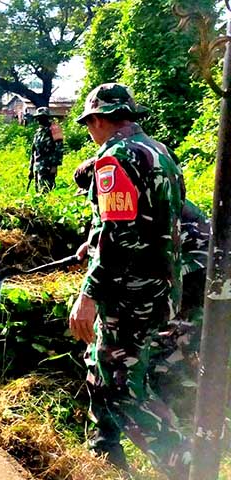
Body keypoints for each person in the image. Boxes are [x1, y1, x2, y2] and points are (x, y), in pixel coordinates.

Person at [67, 83, 191, 477]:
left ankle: (183, 466)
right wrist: (95, 238)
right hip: (161, 289)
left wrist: (88, 294)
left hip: (129, 295)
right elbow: (156, 218)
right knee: (100, 362)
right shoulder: (160, 151)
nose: (90, 132)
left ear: (101, 120)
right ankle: (103, 450)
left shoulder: (115, 158)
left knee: (121, 388)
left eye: (90, 124)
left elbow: (119, 237)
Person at [73, 157, 210, 421]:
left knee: (165, 346)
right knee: (184, 333)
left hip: (190, 268)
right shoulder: (146, 189)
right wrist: (89, 245)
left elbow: (120, 240)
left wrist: (93, 284)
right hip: (199, 268)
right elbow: (107, 230)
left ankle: (181, 412)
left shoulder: (119, 189)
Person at [28, 107, 64, 192]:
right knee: (39, 193)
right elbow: (33, 152)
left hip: (48, 167)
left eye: (42, 117)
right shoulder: (38, 132)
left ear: (47, 118)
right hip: (37, 167)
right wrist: (30, 169)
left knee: (47, 192)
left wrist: (54, 166)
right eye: (38, 118)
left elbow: (59, 148)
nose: (39, 120)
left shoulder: (54, 130)